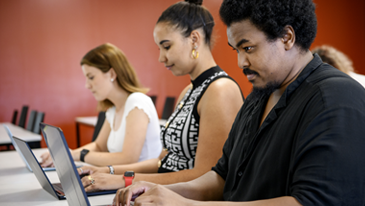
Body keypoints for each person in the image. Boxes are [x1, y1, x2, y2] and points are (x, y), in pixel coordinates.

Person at [114, 0, 365, 206]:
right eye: (236, 50)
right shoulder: (260, 95)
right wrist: (162, 191)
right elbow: (222, 177)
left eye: (248, 48)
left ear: (287, 37)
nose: (240, 62)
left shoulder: (334, 99)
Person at [76, 0, 244, 193]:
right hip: (163, 194)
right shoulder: (188, 91)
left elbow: (206, 177)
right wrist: (107, 171)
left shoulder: (220, 90)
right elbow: (163, 161)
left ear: (194, 39)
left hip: (183, 201)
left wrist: (124, 181)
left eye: (167, 46)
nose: (161, 58)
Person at [40, 43, 162, 167]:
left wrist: (79, 155)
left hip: (141, 184)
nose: (87, 85)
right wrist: (66, 153)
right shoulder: (113, 110)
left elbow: (129, 158)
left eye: (91, 77)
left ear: (112, 74)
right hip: (122, 180)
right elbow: (99, 146)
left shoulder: (137, 101)